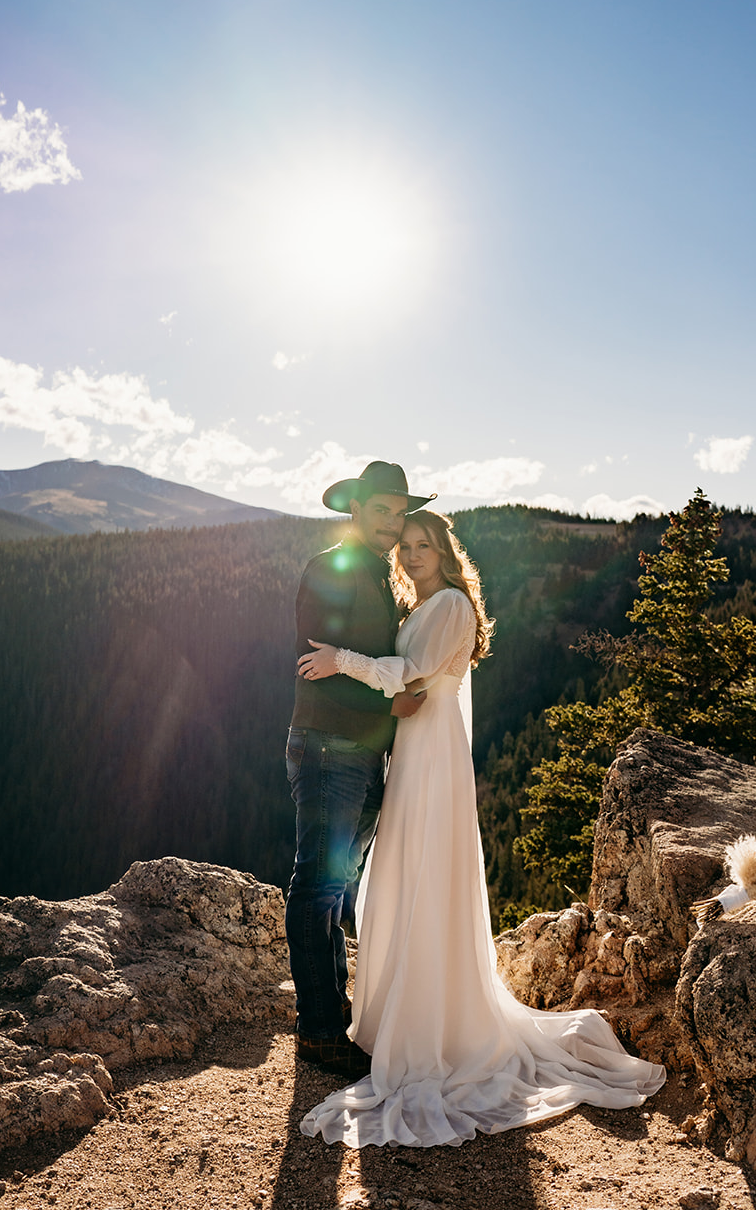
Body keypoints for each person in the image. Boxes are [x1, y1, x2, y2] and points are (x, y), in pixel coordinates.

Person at [296, 509, 666, 1148]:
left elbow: (403, 675)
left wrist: (341, 659)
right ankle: (399, 1016)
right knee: (402, 874)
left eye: (423, 546)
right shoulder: (426, 605)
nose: (411, 555)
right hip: (411, 751)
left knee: (421, 872)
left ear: (445, 551)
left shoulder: (449, 608)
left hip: (429, 758)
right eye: (404, 547)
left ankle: (432, 1023)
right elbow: (402, 678)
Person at [285, 460, 435, 1079]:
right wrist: (391, 700)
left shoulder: (382, 576)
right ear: (356, 509)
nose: (392, 524)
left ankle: (332, 1017)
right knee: (319, 885)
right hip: (328, 747)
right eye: (382, 511)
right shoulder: (330, 569)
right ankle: (318, 1031)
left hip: (362, 755)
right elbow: (317, 660)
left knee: (337, 889)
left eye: (400, 514)